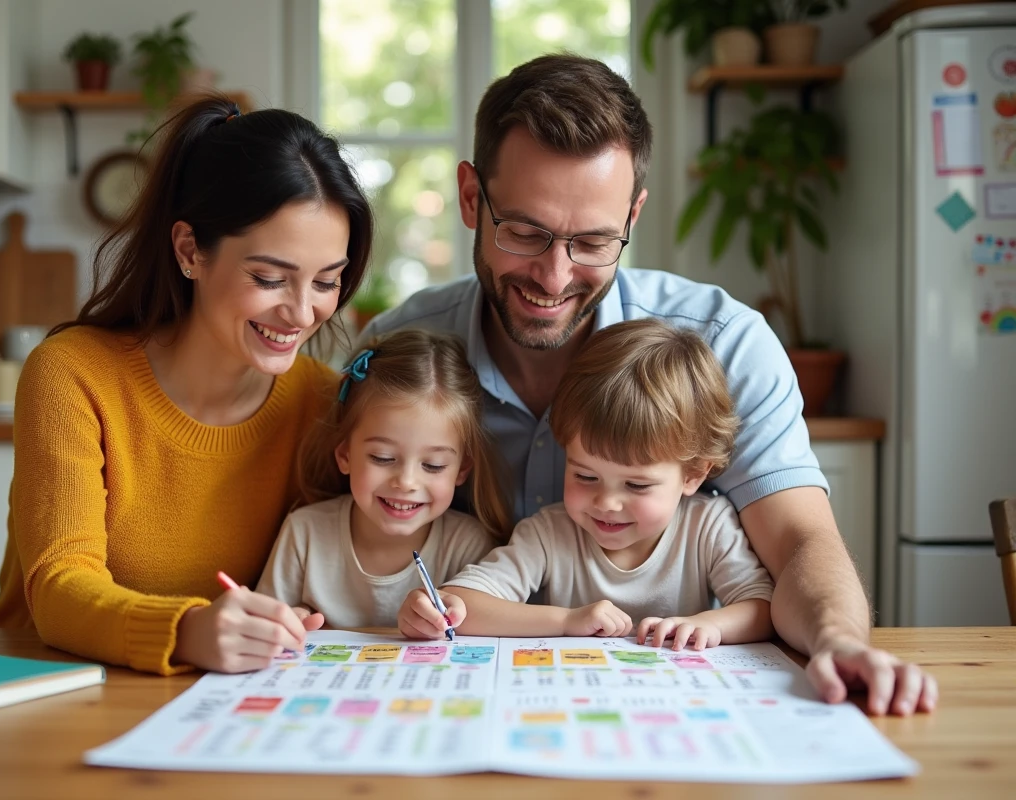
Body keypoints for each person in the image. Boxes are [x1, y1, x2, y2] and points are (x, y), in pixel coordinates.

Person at [364, 55, 936, 715]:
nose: (555, 276)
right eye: (524, 232)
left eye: (593, 242)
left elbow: (801, 542)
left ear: (633, 216)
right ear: (471, 199)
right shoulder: (399, 355)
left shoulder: (725, 345)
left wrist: (837, 639)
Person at [0, 94, 374, 676]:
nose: (301, 312)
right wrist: (188, 631)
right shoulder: (72, 375)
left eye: (327, 281)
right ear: (190, 250)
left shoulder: (320, 401)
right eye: (269, 278)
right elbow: (59, 588)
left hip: (208, 697)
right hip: (35, 685)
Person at [400, 319, 774, 650]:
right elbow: (462, 604)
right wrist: (566, 620)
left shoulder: (707, 527)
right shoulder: (548, 534)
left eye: (637, 485)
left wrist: (709, 625)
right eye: (585, 476)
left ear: (693, 474)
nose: (607, 502)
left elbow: (762, 607)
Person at [256, 329, 512, 628]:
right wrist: (290, 619)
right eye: (382, 458)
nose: (406, 482)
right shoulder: (304, 533)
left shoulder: (468, 546)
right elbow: (263, 624)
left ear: (462, 469)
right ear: (345, 455)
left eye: (433, 465)